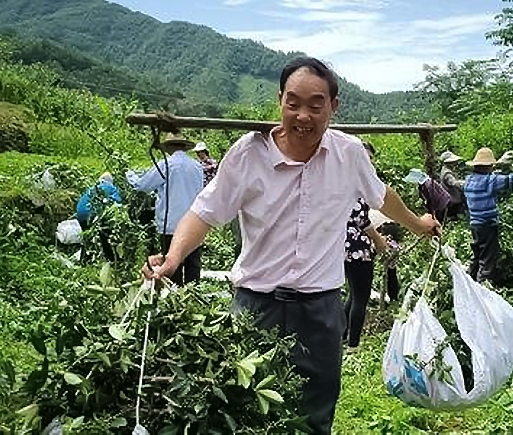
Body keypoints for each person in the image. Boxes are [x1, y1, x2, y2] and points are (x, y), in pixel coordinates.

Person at [142, 56, 440, 435]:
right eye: (293, 103)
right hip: (255, 307)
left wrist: (418, 224)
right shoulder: (248, 154)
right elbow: (203, 213)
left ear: (334, 106)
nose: (303, 115)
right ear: (280, 100)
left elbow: (382, 197)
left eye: (316, 105)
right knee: (245, 410)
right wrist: (172, 258)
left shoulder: (348, 154)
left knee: (316, 410)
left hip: (320, 310)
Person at [127, 132, 204, 286]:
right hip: (195, 224)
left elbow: (143, 186)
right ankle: (194, 297)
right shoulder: (197, 166)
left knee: (171, 266)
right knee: (192, 265)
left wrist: (130, 176)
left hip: (171, 225)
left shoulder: (166, 164)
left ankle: (174, 300)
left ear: (168, 147)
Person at [342, 142, 388, 350]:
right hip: (358, 248)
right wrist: (379, 240)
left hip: (345, 246)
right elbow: (361, 219)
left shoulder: (342, 180)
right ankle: (353, 344)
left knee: (354, 294)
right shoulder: (357, 183)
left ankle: (342, 336)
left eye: (370, 159)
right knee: (362, 297)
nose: (368, 162)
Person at [463, 147, 513, 288]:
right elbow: (508, 180)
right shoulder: (489, 181)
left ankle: (469, 282)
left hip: (474, 224)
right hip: (487, 224)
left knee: (477, 255)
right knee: (488, 258)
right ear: (488, 166)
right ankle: (482, 288)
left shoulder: (468, 180)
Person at [76, 172, 122, 262]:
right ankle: (112, 259)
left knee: (87, 237)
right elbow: (118, 203)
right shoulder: (111, 188)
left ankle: (84, 259)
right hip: (93, 215)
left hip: (80, 214)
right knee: (104, 236)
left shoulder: (92, 188)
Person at [439, 150, 467, 220]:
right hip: (452, 202)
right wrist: (467, 183)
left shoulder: (446, 171)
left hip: (452, 200)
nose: (455, 163)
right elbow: (454, 183)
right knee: (455, 219)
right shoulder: (447, 173)